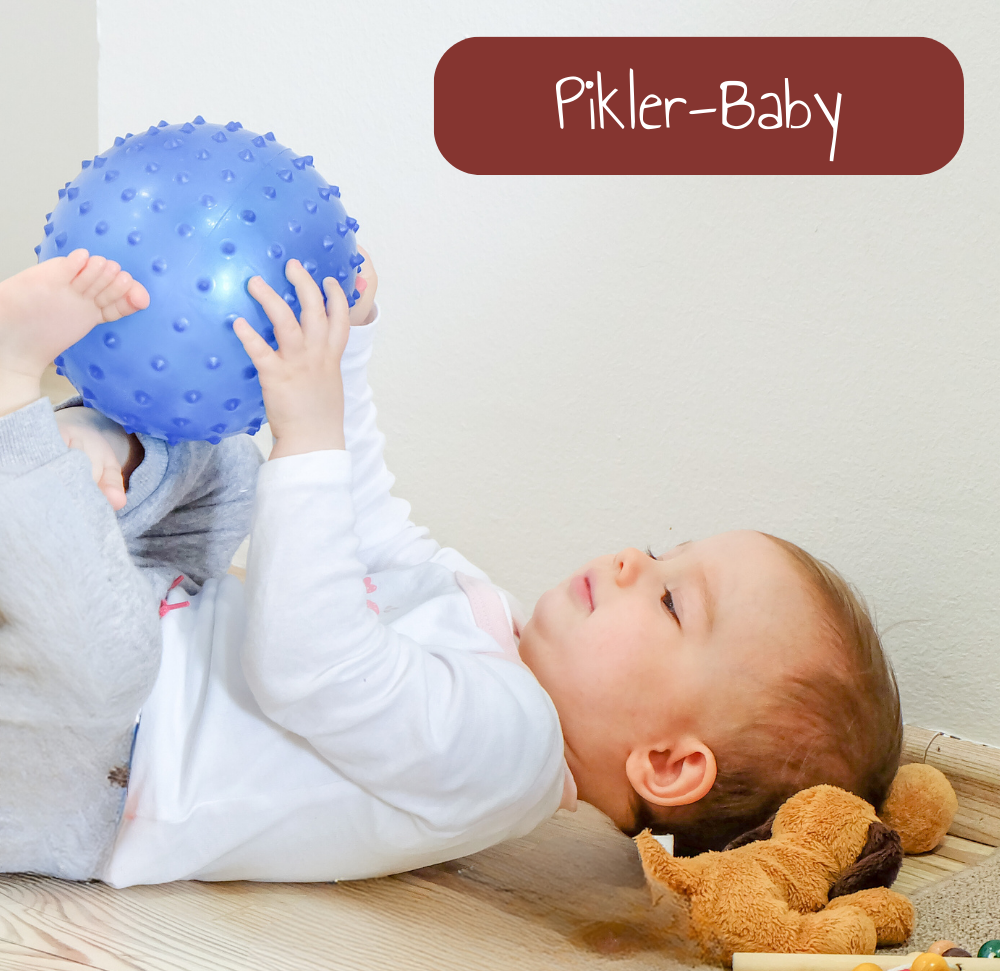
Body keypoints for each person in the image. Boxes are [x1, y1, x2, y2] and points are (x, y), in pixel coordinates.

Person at [0, 247, 901, 885]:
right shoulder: (499, 631)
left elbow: (309, 672)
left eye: (670, 601)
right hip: (138, 638)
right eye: (663, 553)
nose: (633, 559)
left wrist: (308, 433)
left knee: (115, 651)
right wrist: (345, 355)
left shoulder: (506, 755)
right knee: (233, 471)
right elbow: (370, 529)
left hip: (87, 770)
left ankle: (17, 402)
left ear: (665, 764)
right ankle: (77, 467)